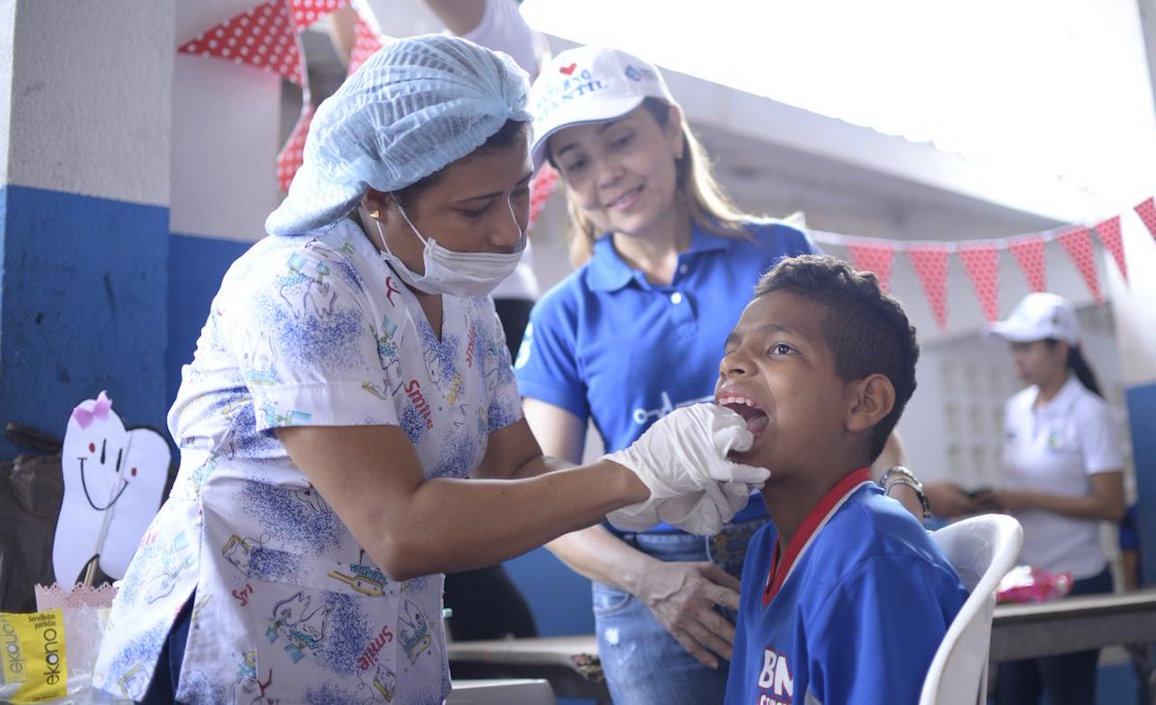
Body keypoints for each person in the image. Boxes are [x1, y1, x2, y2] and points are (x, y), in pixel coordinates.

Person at [91, 36, 770, 704]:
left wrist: (649, 490)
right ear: (378, 198)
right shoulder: (302, 283)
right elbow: (399, 528)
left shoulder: (461, 296)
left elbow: (516, 472)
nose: (509, 233)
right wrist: (630, 473)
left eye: (518, 194)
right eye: (476, 208)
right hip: (240, 655)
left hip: (376, 664)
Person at [514, 44, 930, 704]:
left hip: (806, 544)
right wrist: (650, 579)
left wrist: (900, 503)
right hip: (649, 590)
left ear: (673, 129)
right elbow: (543, 497)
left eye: (621, 139)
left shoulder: (779, 254)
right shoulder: (566, 312)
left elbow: (860, 407)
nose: (605, 174)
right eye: (576, 162)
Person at [720, 255, 967, 704]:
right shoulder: (765, 550)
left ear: (864, 403)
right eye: (730, 349)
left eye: (780, 348)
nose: (732, 365)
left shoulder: (873, 560)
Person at [984, 292, 1126, 705]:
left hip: (1076, 582)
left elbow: (1111, 505)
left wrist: (1033, 498)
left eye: (1026, 347)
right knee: (1013, 696)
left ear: (1060, 349)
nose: (1017, 358)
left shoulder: (1089, 413)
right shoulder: (1016, 409)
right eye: (1014, 348)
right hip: (1025, 582)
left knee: (1069, 696)